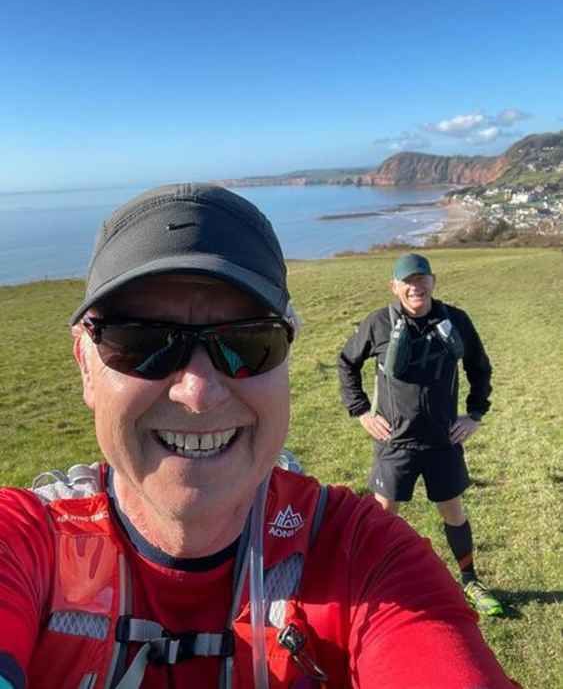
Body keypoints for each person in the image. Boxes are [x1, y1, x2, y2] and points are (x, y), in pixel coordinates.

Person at [0, 185, 519, 689]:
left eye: (249, 342)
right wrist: (361, 410)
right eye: (140, 340)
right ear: (84, 366)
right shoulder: (23, 543)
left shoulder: (363, 555)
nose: (198, 392)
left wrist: (475, 411)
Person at [338, 252, 504, 618]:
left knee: (453, 511)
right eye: (408, 281)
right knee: (384, 516)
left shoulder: (455, 320)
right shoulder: (379, 323)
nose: (416, 287)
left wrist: (475, 413)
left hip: (442, 440)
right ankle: (377, 585)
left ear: (432, 282)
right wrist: (361, 411)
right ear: (394, 286)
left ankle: (471, 581)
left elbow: (480, 366)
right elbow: (347, 362)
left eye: (422, 279)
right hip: (395, 441)